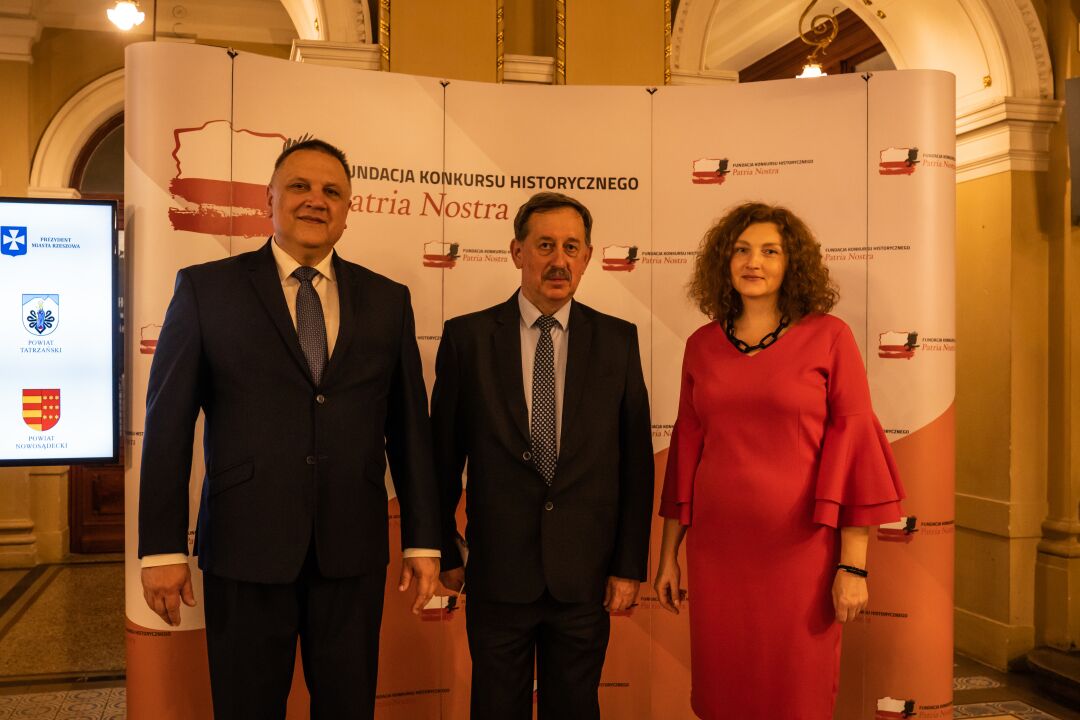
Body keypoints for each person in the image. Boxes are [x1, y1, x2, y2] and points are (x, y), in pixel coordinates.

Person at [137, 139, 441, 720]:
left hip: (351, 552)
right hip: (244, 549)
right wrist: (161, 547)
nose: (315, 200)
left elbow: (409, 430)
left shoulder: (387, 300)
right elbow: (167, 425)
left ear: (347, 210)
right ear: (269, 200)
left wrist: (424, 540)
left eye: (332, 191)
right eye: (299, 186)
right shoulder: (205, 290)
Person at [652, 202, 905, 719]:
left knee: (796, 693)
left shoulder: (830, 337)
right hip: (717, 553)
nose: (754, 262)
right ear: (723, 261)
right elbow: (686, 454)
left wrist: (853, 564)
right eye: (742, 250)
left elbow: (854, 450)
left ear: (793, 264)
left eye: (771, 251)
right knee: (724, 690)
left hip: (802, 552)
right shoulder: (701, 345)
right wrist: (667, 555)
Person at [432, 192, 654, 720]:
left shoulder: (618, 341)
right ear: (517, 252)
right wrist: (445, 549)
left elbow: (636, 465)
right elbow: (441, 459)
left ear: (588, 257)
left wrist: (628, 566)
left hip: (584, 578)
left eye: (572, 247)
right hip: (497, 576)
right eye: (545, 245)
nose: (559, 260)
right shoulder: (467, 338)